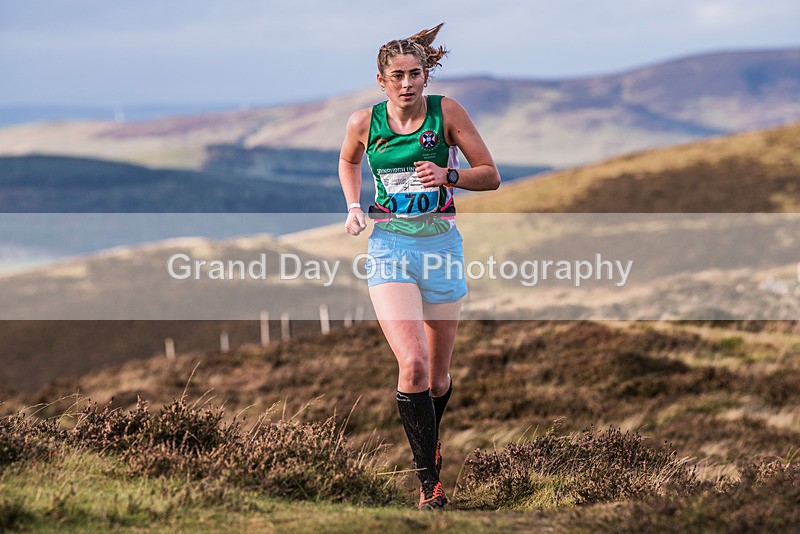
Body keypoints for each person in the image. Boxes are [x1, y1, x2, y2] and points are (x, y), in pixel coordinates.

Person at [338, 23, 500, 510]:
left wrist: (449, 174)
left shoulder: (446, 112)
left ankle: (429, 438)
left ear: (426, 75)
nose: (407, 83)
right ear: (381, 79)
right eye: (397, 76)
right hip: (389, 248)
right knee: (412, 364)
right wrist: (353, 205)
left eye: (415, 74)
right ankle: (430, 483)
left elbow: (490, 176)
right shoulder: (364, 122)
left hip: (441, 248)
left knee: (438, 378)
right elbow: (348, 162)